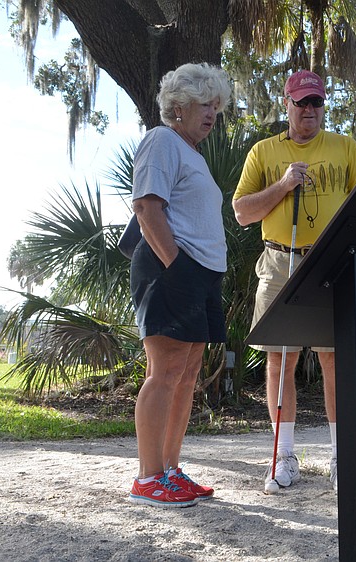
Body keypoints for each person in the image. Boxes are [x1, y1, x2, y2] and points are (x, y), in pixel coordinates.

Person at [232, 70, 356, 493]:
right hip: (278, 261)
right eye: (302, 103)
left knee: (335, 359)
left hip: (331, 263)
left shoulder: (345, 147)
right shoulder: (263, 152)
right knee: (280, 358)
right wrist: (284, 184)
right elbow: (242, 211)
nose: (309, 111)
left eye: (316, 103)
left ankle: (340, 457)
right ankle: (284, 457)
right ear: (287, 105)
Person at [127, 62, 231, 508]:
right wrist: (177, 266)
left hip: (202, 274)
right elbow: (147, 208)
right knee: (164, 372)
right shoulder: (163, 140)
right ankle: (147, 478)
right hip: (173, 269)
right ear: (178, 106)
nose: (211, 113)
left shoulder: (194, 154)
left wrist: (197, 273)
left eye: (215, 105)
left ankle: (170, 470)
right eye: (202, 104)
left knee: (187, 377)